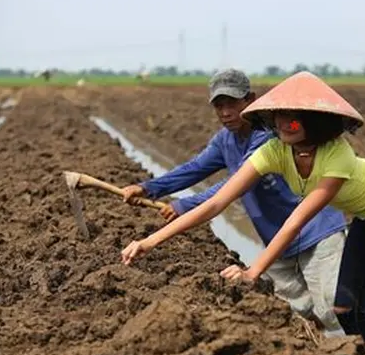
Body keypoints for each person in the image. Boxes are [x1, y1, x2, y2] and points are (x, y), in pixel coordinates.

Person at [121, 71, 365, 355]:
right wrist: (149, 241)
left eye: (291, 121)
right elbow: (216, 202)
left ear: (312, 122)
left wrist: (253, 271)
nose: (282, 127)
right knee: (344, 306)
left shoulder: (337, 154)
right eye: (278, 120)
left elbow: (297, 220)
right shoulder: (274, 150)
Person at [118, 68, 348, 332]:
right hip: (277, 239)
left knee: (335, 309)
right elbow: (194, 168)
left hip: (316, 230)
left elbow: (233, 185)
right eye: (219, 106)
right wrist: (148, 188)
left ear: (250, 100)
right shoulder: (225, 140)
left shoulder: (268, 138)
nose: (226, 112)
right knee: (297, 311)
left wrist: (185, 205)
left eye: (232, 104)